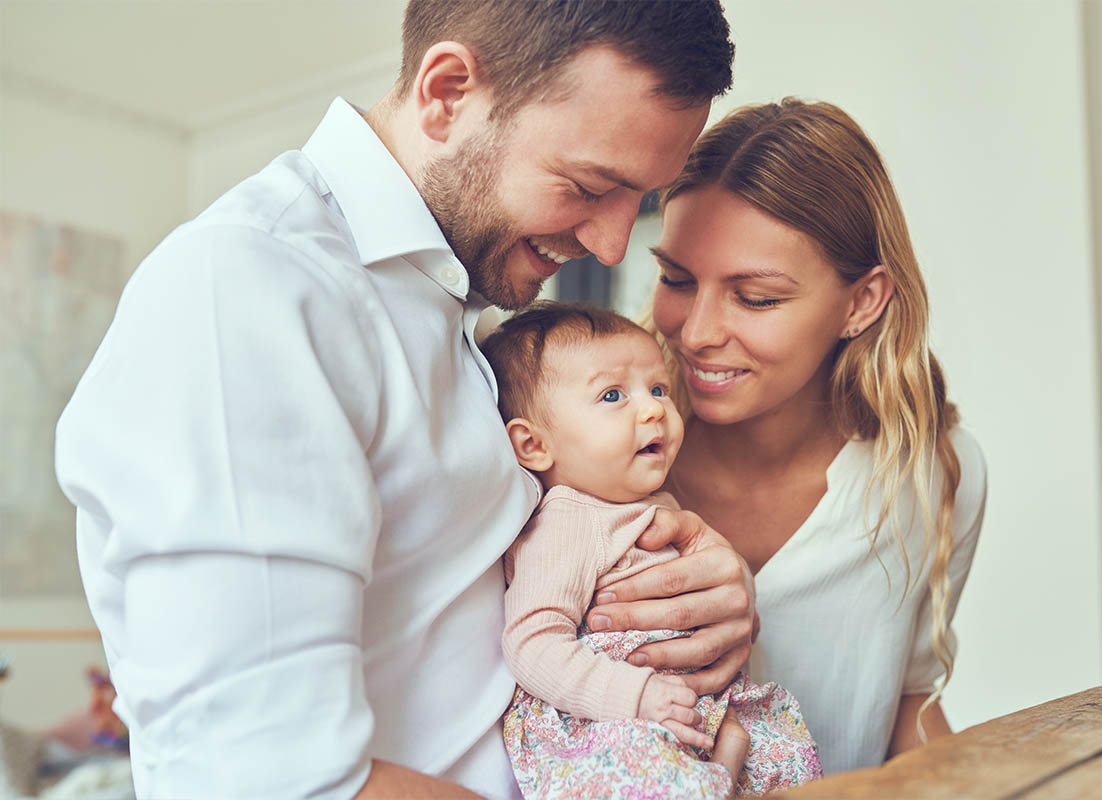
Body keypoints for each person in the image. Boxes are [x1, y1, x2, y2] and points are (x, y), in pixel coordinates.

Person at [54, 3, 751, 798]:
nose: (613, 244)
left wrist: (686, 581)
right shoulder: (252, 291)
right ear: (448, 92)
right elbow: (267, 779)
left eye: (640, 199)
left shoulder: (453, 310)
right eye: (590, 186)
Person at [586, 98, 988, 775]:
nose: (697, 331)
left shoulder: (931, 475)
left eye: (757, 297)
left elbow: (904, 710)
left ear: (861, 302)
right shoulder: (592, 455)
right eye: (677, 279)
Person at [480, 302, 821, 798]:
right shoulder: (568, 522)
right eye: (613, 394)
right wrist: (634, 696)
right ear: (534, 446)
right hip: (610, 721)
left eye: (658, 388)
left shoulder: (650, 506)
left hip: (684, 709)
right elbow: (531, 644)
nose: (654, 408)